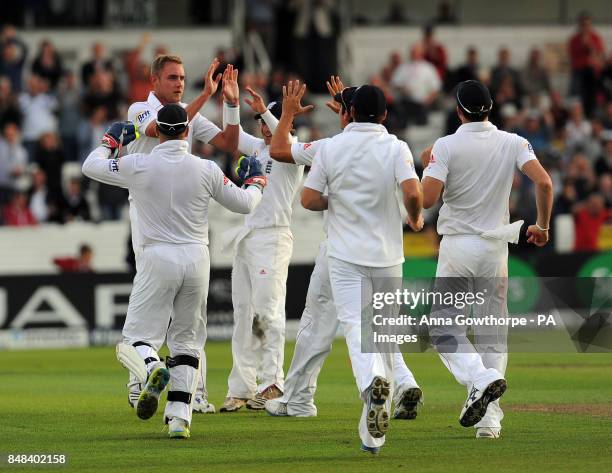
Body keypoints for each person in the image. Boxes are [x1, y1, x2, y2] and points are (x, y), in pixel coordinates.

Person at [82, 105, 267, 438]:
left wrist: (110, 140)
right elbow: (245, 203)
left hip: (157, 258)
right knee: (187, 343)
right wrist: (256, 180)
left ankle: (152, 368)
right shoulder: (206, 168)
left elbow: (90, 166)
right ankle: (180, 420)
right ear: (186, 132)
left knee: (133, 340)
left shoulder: (138, 163)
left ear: (159, 131)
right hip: (197, 259)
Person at [264, 77, 424, 421]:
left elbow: (278, 151)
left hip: (339, 252)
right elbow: (412, 193)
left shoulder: (328, 147)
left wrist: (287, 115)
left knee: (323, 323)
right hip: (386, 255)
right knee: (377, 326)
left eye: (343, 105)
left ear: (348, 112)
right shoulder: (395, 146)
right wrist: (416, 218)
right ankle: (402, 383)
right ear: (382, 115)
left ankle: (299, 398)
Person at [421, 80, 553, 439]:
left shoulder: (445, 146)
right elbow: (544, 183)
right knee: (493, 332)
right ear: (490, 108)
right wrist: (541, 226)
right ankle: (489, 422)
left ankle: (482, 379)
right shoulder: (513, 141)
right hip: (496, 246)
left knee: (443, 327)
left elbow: (428, 198)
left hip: (458, 247)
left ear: (458, 110)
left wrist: (426, 166)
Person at [123, 54, 242, 415]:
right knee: (153, 309)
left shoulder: (187, 113)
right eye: (172, 77)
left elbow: (228, 143)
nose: (179, 83)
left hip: (183, 221)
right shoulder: (139, 110)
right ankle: (140, 380)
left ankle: (193, 392)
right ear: (154, 80)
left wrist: (232, 106)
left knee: (192, 315)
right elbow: (165, 129)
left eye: (183, 77)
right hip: (148, 218)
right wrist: (206, 94)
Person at [220, 86, 308, 413]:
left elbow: (281, 135)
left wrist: (268, 113)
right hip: (248, 236)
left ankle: (272, 383)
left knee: (268, 311)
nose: (270, 129)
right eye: (266, 124)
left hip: (272, 238)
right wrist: (231, 103)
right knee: (243, 313)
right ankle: (242, 388)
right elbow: (231, 137)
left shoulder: (294, 151)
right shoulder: (257, 146)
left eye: (282, 123)